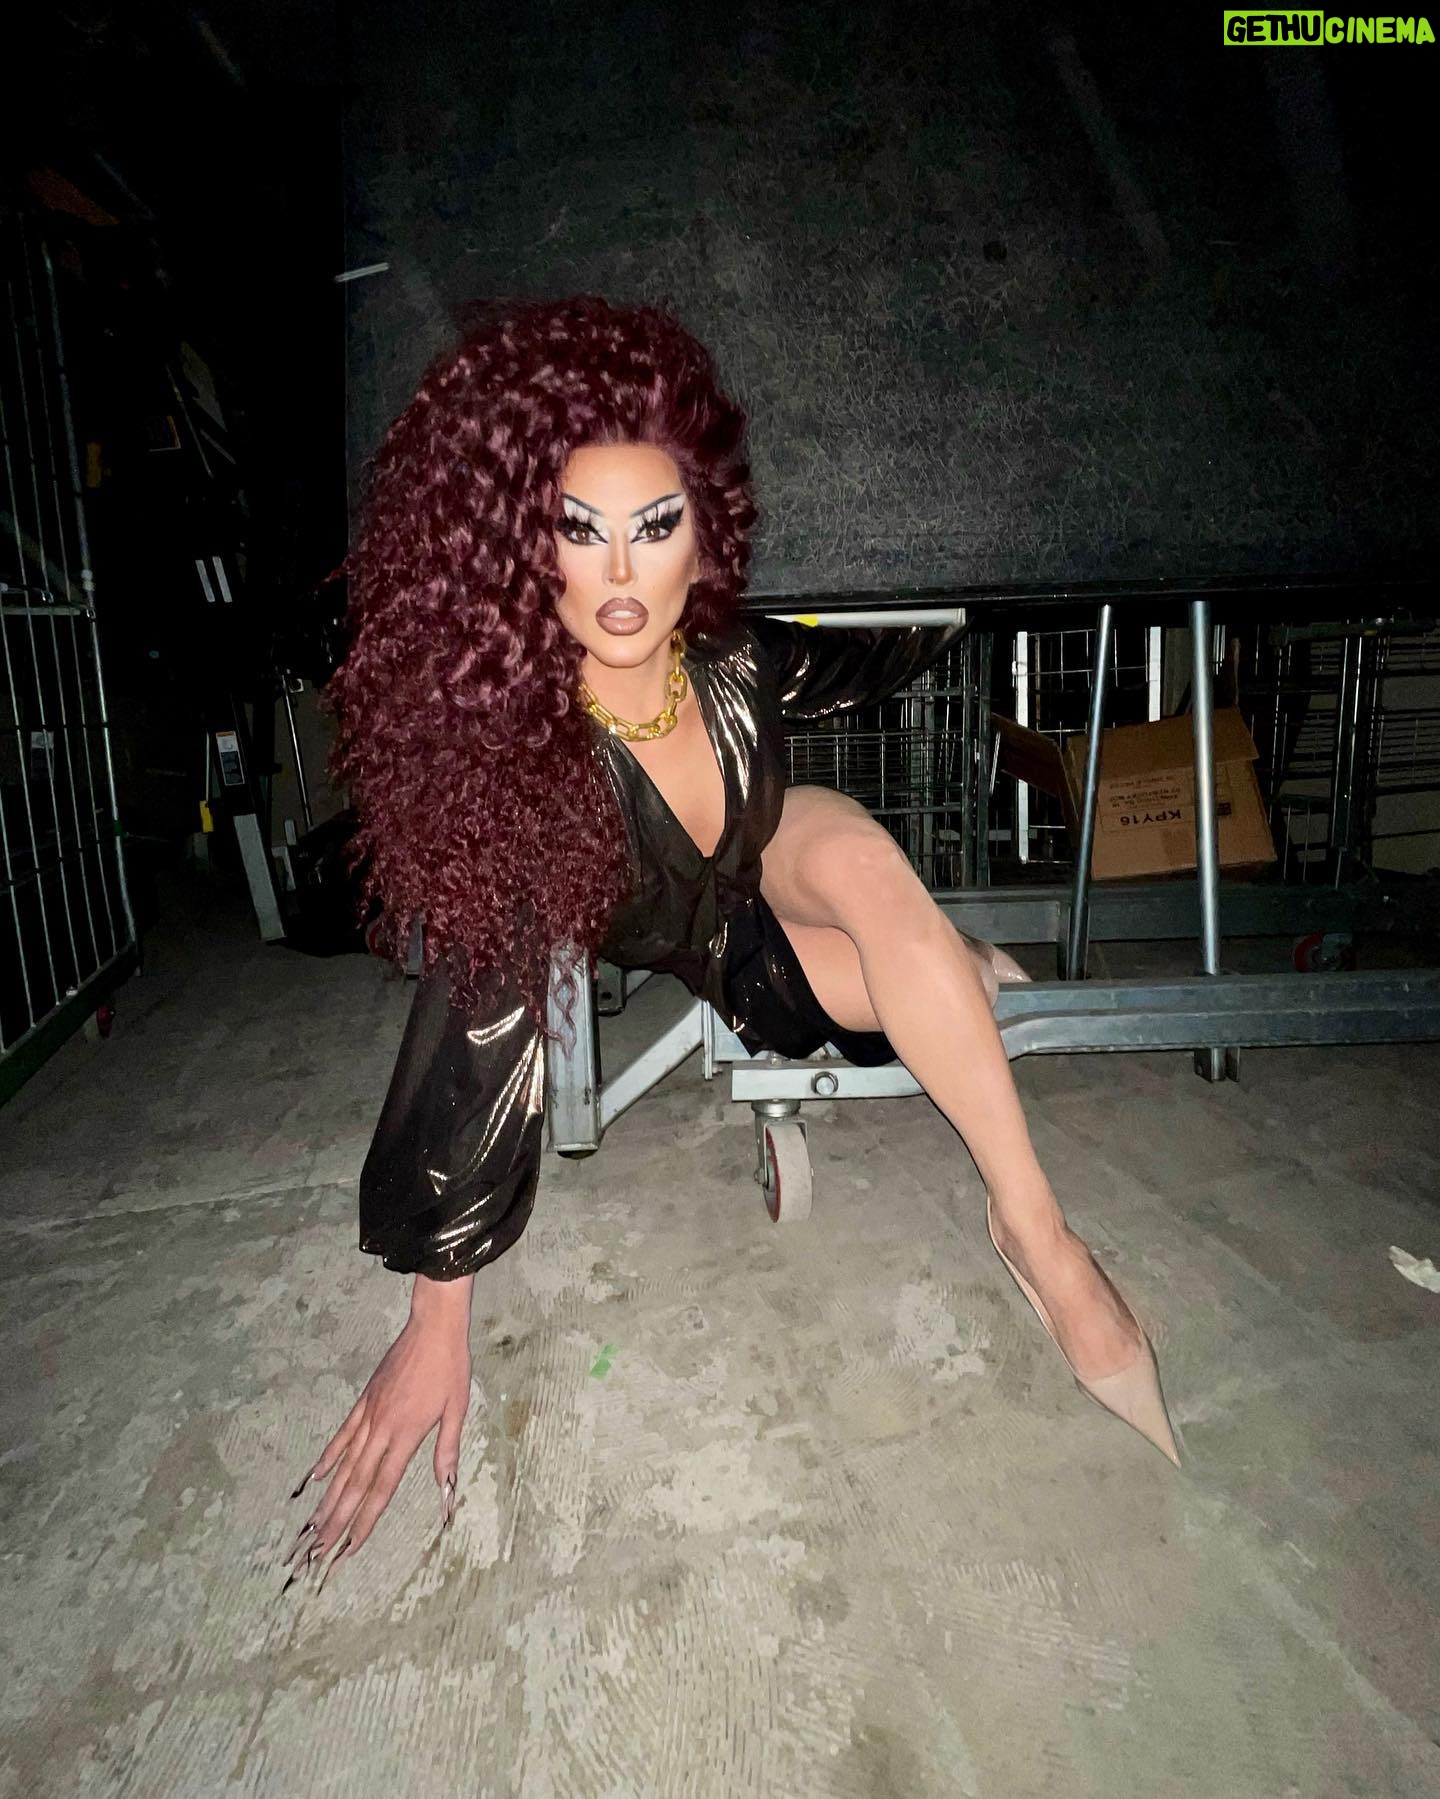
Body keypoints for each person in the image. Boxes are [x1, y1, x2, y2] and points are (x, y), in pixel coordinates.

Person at [281, 297, 1178, 1591]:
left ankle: (1038, 1235)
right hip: (729, 959)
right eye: (579, 531)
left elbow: (888, 639)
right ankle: (951, 976)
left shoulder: (738, 660)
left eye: (655, 527)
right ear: (525, 547)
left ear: (702, 531)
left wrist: (1010, 532)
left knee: (860, 857)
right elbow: (481, 1017)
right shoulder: (532, 766)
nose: (622, 573)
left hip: (783, 853)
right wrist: (438, 1311)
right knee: (910, 992)